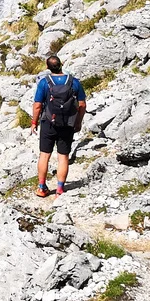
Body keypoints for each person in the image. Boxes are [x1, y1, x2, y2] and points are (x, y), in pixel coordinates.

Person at [31, 56, 86, 197]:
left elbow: (37, 106)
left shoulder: (44, 83)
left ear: (47, 67)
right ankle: (60, 190)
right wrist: (78, 122)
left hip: (48, 123)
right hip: (67, 124)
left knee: (44, 155)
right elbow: (82, 104)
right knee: (63, 157)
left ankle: (42, 188)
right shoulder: (74, 82)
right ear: (61, 64)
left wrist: (33, 123)